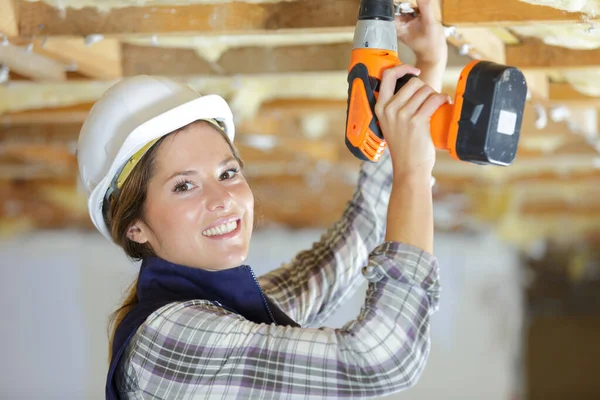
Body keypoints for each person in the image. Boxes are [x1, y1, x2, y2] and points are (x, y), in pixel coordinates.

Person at [76, 0, 448, 398]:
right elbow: (376, 361)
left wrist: (424, 70)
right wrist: (411, 171)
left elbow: (357, 240)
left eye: (228, 172)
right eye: (184, 185)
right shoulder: (166, 340)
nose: (222, 198)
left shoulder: (225, 308)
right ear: (136, 227)